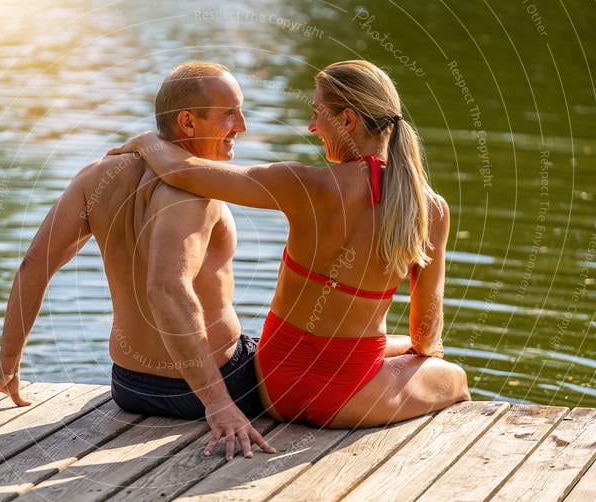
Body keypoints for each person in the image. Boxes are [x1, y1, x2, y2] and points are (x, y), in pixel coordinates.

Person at [108, 59, 472, 428]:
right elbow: (425, 335)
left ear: (347, 121)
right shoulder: (429, 210)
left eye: (318, 113)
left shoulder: (302, 184)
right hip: (345, 399)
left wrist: (147, 141)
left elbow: (186, 173)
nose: (312, 126)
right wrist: (425, 355)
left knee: (402, 349)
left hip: (275, 387)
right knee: (452, 376)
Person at [0, 61, 277, 460]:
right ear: (188, 123)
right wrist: (218, 403)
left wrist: (6, 364)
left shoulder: (95, 177)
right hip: (219, 383)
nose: (241, 125)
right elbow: (168, 290)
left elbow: (33, 265)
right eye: (230, 113)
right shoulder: (196, 192)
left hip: (131, 387)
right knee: (336, 350)